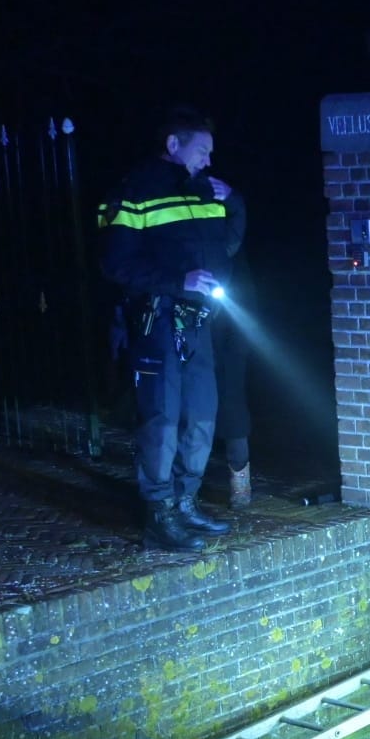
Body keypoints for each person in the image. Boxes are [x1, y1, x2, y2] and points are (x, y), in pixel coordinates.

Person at [97, 106, 246, 551]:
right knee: (162, 417)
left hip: (197, 321)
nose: (208, 160)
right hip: (157, 317)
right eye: (202, 150)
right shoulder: (133, 191)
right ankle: (158, 514)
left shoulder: (206, 190)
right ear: (173, 145)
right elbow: (114, 263)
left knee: (202, 412)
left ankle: (186, 502)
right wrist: (176, 282)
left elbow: (230, 242)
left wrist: (234, 201)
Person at [213, 250, 255, 509]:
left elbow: (246, 299)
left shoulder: (231, 255)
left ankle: (240, 482)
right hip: (199, 337)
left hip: (229, 340)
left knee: (232, 409)